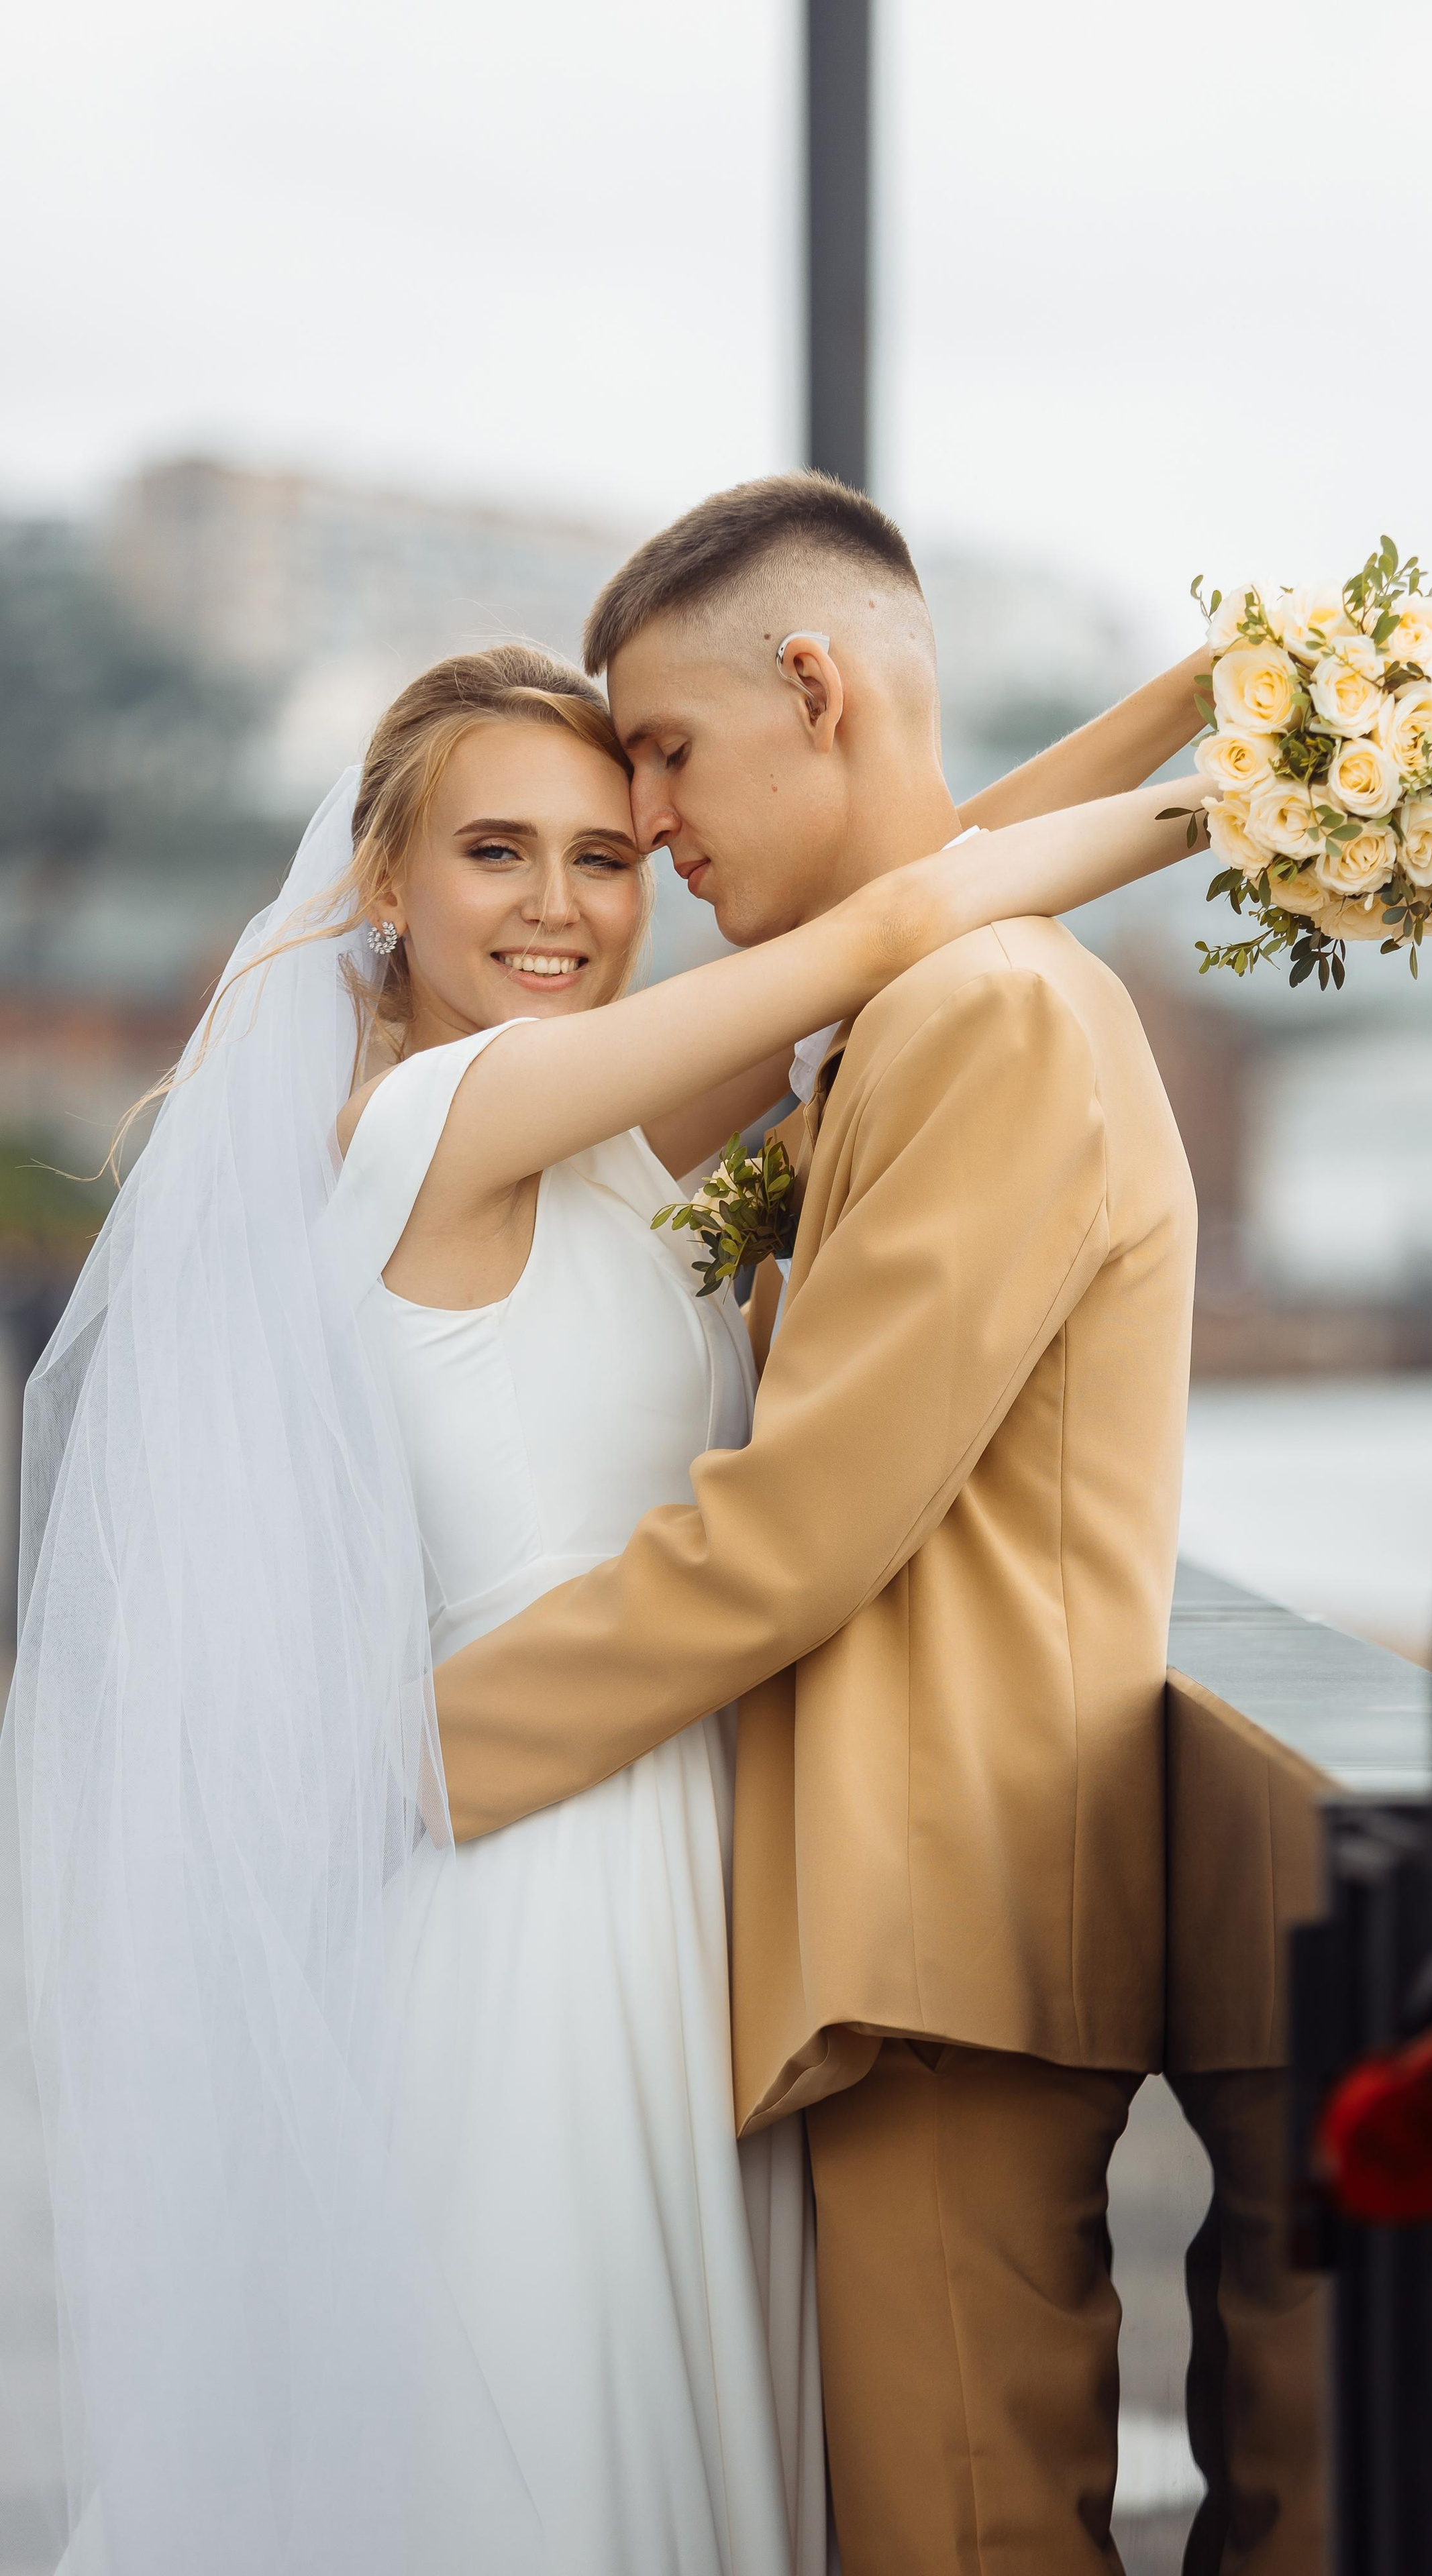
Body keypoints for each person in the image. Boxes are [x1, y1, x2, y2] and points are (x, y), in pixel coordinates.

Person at [5, 613, 1208, 2575]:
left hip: (682, 1873)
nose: (562, 906)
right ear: (381, 883)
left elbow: (920, 876)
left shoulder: (614, 1142)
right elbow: (881, 936)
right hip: (535, 1904)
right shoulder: (426, 1129)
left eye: (606, 856)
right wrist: (1247, 800)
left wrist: (1206, 688)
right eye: (497, 853)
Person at [422, 470, 1199, 2575]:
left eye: (665, 753)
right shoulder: (930, 997)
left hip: (943, 1909)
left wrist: (414, 1758)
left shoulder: (995, 1018)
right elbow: (930, 878)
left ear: (815, 686)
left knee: (961, 2529)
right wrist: (1188, 725)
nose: (651, 825)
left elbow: (797, 1531)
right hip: (892, 1900)